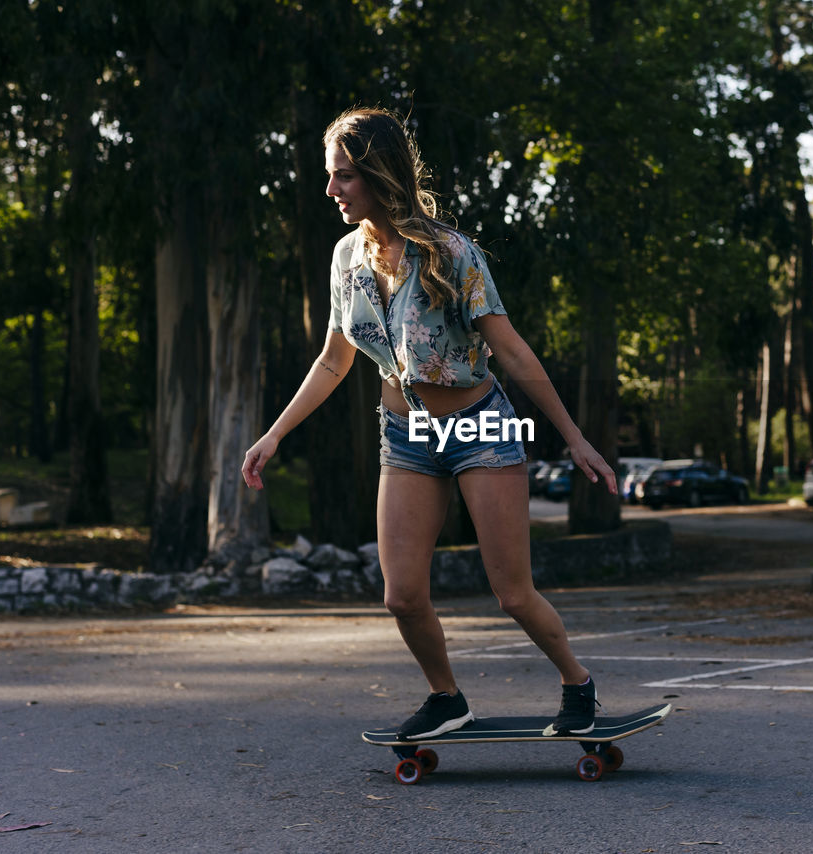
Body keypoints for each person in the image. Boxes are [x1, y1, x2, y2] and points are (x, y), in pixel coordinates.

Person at [241, 107, 617, 741]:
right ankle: (446, 699)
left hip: (478, 427)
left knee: (512, 593)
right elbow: (334, 361)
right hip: (407, 436)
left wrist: (574, 436)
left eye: (342, 177)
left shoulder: (452, 253)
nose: (330, 190)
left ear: (378, 175)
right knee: (402, 595)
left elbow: (515, 352)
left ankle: (577, 682)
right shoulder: (346, 258)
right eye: (329, 177)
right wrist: (276, 433)